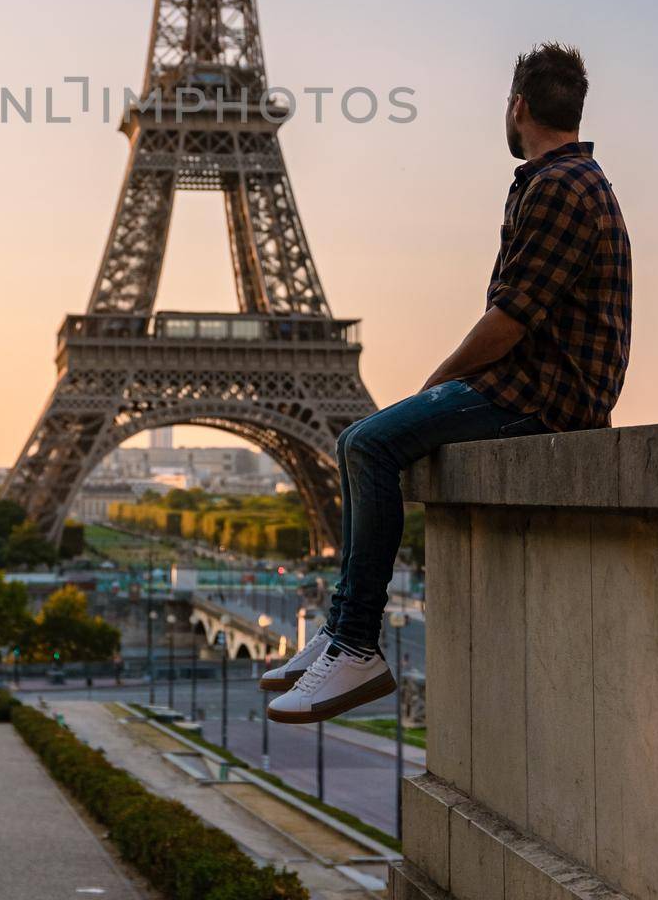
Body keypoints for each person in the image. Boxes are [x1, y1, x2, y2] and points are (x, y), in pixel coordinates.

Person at [264, 43, 631, 724]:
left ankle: (354, 645)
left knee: (370, 444)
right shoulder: (571, 180)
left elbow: (512, 316)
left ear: (517, 107)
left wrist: (433, 386)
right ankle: (343, 629)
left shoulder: (559, 187)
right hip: (545, 386)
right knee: (358, 440)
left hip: (543, 396)